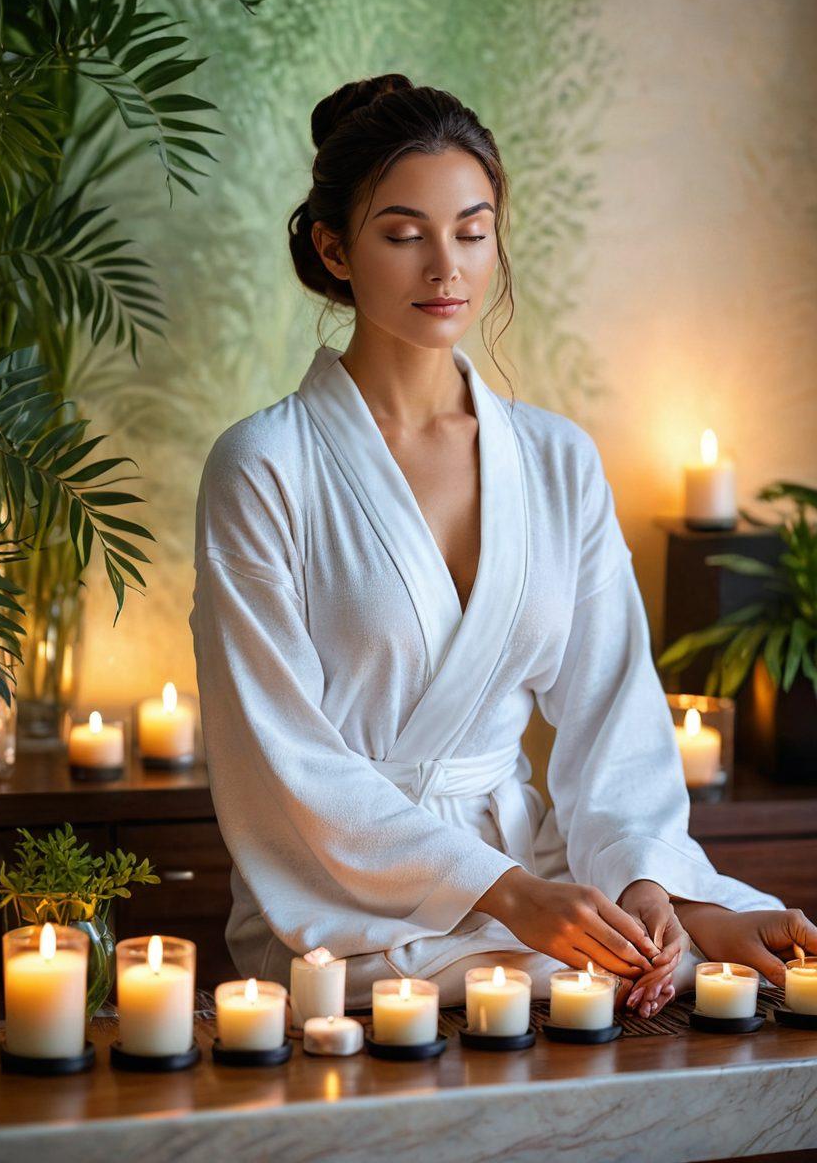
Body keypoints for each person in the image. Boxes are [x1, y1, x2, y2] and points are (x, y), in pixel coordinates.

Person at [189, 74, 817, 1016]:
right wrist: (502, 894)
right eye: (404, 235)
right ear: (334, 249)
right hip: (346, 900)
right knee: (562, 982)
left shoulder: (557, 460)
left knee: (695, 954)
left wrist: (651, 891)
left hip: (547, 884)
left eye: (472, 232)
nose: (446, 267)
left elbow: (615, 717)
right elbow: (280, 759)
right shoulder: (265, 467)